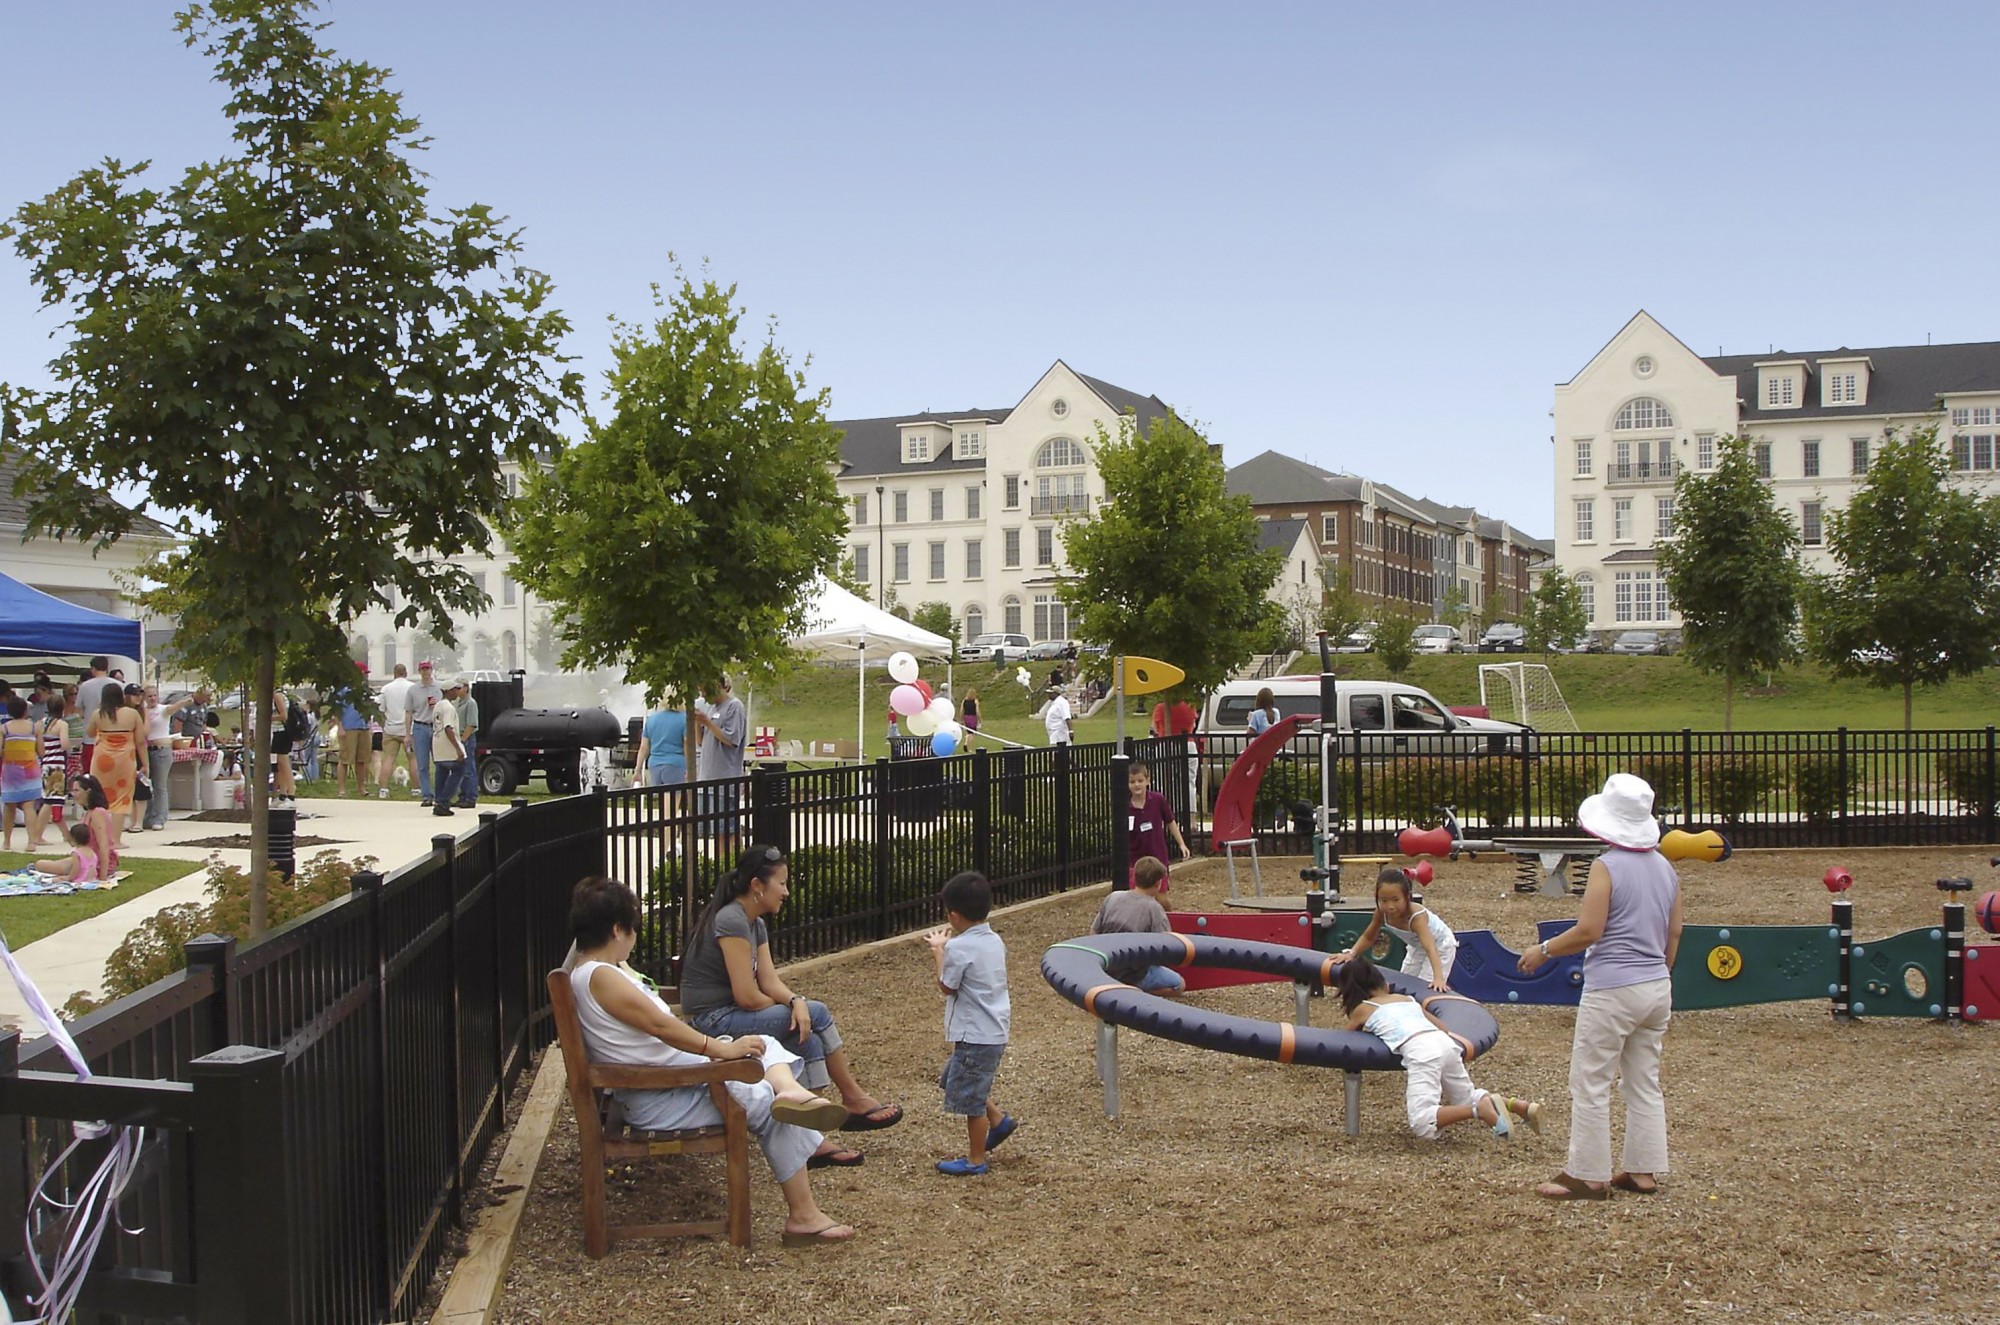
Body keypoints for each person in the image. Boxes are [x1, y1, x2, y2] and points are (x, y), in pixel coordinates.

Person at [564, 875, 856, 1245]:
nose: (635, 936)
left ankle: (791, 1092)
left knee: (762, 1046)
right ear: (617, 930)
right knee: (762, 1099)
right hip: (661, 1097)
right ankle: (803, 1216)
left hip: (672, 1082)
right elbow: (661, 1026)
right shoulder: (602, 976)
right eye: (633, 928)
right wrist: (720, 1050)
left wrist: (721, 1051)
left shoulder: (593, 972)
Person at [1519, 773, 1683, 1200]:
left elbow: (1589, 930)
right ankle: (1642, 1170)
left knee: (1590, 1080)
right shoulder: (1665, 868)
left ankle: (1588, 1175)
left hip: (1612, 988)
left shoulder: (1606, 866)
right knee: (1643, 1080)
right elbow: (1674, 932)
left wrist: (1544, 950)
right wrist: (1660, 973)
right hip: (1655, 984)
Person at [680, 845, 903, 1158]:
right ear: (757, 885)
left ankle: (811, 1143)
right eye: (781, 883)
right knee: (817, 1014)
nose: (786, 892)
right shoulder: (732, 919)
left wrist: (796, 1001)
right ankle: (853, 1098)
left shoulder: (755, 923)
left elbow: (770, 982)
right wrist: (793, 1009)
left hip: (732, 1013)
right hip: (713, 1020)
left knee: (807, 1037)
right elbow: (747, 996)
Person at [1338, 955, 1539, 1142]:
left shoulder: (1363, 1008)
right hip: (1444, 1043)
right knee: (1465, 1097)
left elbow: (1345, 1040)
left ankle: (1479, 1110)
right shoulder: (1406, 999)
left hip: (1421, 1051)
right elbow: (1442, 1027)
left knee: (1422, 1122)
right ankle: (1519, 1106)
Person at [925, 871, 1015, 1175]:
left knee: (971, 1102)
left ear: (954, 915)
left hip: (975, 1034)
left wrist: (939, 951)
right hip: (993, 1029)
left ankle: (976, 1159)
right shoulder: (994, 940)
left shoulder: (959, 947)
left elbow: (946, 986)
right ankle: (999, 1121)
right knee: (953, 1079)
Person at [1330, 866, 1460, 992]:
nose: (1390, 906)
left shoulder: (1416, 917)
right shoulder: (1381, 912)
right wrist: (1351, 953)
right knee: (1405, 982)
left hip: (1440, 946)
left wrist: (1438, 978)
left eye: (1396, 900)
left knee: (1426, 986)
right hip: (1417, 946)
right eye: (1384, 900)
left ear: (1407, 897)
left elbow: (1430, 948)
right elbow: (1368, 937)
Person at [1090, 856, 1184, 995]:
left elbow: (1094, 931)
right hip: (1134, 974)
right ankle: (1137, 992)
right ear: (1158, 883)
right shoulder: (1154, 908)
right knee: (1179, 985)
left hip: (1107, 966)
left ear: (1135, 877)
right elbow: (1165, 947)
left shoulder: (1113, 897)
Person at [142, 685, 206, 831]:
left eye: (155, 695)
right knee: (146, 785)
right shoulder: (143, 711)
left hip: (162, 750)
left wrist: (185, 701)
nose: (152, 698)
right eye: (149, 696)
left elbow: (173, 708)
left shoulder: (163, 709)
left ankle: (160, 818)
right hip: (146, 750)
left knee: (160, 786)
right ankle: (147, 817)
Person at [86, 685, 141, 854]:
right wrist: (145, 764)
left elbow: (89, 733)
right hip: (125, 760)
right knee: (122, 799)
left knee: (98, 797)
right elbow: (140, 741)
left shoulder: (98, 714)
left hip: (102, 759)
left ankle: (96, 837)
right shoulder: (132, 714)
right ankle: (116, 840)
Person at [1124, 760, 1190, 888]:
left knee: (1160, 892)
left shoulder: (1158, 800)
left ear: (1147, 781)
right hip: (1135, 860)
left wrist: (1181, 844)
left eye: (1140, 781)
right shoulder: (1125, 806)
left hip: (1158, 856)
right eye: (1132, 782)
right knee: (1137, 892)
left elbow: (1170, 821)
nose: (1137, 785)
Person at [2, 696, 46, 853]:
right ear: (25, 711)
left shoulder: (4, 729)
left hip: (10, 771)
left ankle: (7, 841)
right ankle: (31, 842)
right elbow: (41, 751)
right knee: (29, 807)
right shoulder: (34, 728)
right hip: (30, 770)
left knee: (9, 806)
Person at [32, 695, 70, 846]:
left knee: (51, 800)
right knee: (51, 801)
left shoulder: (39, 723)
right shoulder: (61, 724)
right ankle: (37, 836)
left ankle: (66, 834)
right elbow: (64, 744)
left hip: (45, 764)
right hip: (57, 766)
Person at [65, 774, 118, 882]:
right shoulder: (89, 812)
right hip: (86, 858)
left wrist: (103, 876)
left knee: (42, 865)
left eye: (76, 790)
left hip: (94, 863)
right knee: (42, 864)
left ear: (88, 791)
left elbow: (104, 846)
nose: (73, 794)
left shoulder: (97, 813)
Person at [633, 690, 688, 787]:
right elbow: (686, 745)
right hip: (675, 763)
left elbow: (644, 747)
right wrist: (688, 766)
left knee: (660, 794)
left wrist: (638, 770)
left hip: (654, 764)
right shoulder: (684, 719)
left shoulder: (651, 719)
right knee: (674, 795)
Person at [407, 660, 444, 805]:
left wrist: (437, 705)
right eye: (423, 669)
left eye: (428, 669)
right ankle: (426, 795)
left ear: (431, 670)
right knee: (422, 764)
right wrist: (407, 734)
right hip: (420, 726)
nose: (426, 672)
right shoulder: (413, 690)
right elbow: (408, 712)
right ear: (419, 671)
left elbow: (447, 706)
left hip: (436, 726)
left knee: (439, 762)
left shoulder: (439, 687)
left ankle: (440, 793)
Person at [430, 678, 468, 817]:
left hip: (437, 744)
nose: (457, 692)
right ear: (449, 691)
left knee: (441, 773)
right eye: (455, 689)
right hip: (448, 746)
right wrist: (458, 747)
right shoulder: (449, 708)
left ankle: (438, 801)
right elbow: (448, 728)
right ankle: (444, 801)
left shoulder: (438, 706)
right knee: (459, 770)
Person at [376, 662, 414, 799]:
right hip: (408, 729)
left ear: (394, 674)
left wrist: (384, 725)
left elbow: (380, 710)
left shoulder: (386, 689)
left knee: (388, 759)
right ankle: (416, 788)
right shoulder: (412, 687)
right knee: (413, 759)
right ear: (406, 673)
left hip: (391, 728)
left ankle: (383, 789)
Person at [334, 666, 372, 797]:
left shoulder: (365, 691)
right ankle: (341, 789)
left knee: (362, 760)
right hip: (348, 727)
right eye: (364, 673)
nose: (365, 676)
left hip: (363, 726)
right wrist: (340, 727)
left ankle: (361, 788)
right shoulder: (344, 690)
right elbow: (337, 709)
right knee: (345, 759)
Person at [74, 657, 114, 775]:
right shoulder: (118, 685)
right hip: (112, 736)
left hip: (90, 738)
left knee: (90, 774)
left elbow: (78, 711)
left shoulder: (84, 687)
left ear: (93, 669)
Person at [29, 822, 99, 884]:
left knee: (56, 880)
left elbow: (75, 869)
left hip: (82, 879)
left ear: (73, 838)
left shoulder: (76, 853)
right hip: (92, 878)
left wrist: (69, 877)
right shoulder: (91, 851)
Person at [453, 677, 480, 810]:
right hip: (458, 738)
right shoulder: (457, 703)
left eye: (459, 688)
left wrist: (463, 740)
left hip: (467, 738)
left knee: (469, 769)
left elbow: (472, 724)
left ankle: (471, 797)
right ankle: (462, 796)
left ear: (466, 688)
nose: (457, 690)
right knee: (461, 769)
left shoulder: (471, 703)